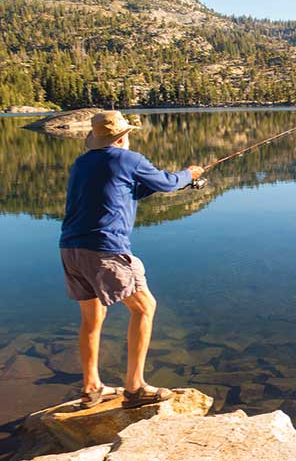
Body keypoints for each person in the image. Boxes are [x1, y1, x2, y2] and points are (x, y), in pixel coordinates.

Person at [59, 111, 204, 409]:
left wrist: (176, 182)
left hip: (71, 249)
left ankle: (91, 386)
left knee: (92, 318)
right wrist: (190, 175)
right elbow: (167, 182)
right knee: (144, 306)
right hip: (104, 249)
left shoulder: (82, 163)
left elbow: (127, 190)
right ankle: (135, 387)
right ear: (123, 137)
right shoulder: (129, 159)